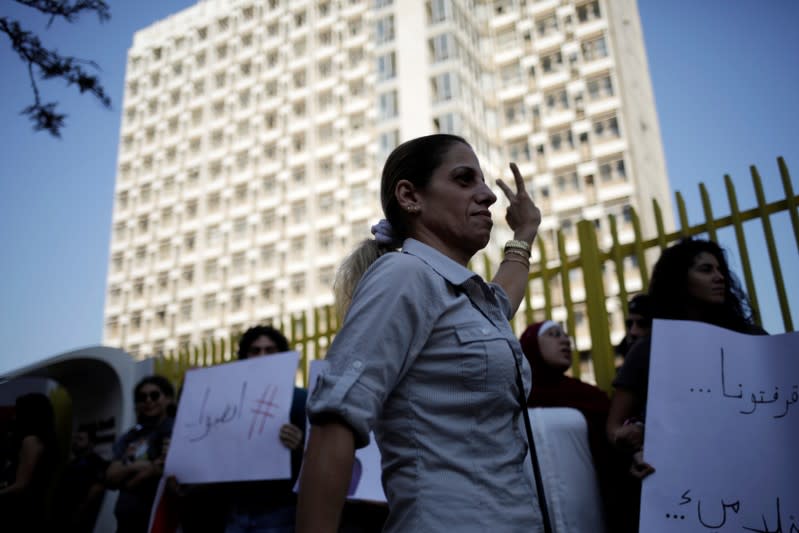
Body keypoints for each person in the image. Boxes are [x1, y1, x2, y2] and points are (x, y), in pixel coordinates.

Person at [296, 134, 542, 533]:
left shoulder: (467, 297)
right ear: (410, 196)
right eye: (465, 180)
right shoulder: (403, 274)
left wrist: (525, 232)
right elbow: (336, 418)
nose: (488, 196)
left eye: (483, 182)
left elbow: (503, 299)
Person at [606, 238, 764, 531]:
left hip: (755, 483)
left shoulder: (753, 341)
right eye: (705, 270)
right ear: (679, 279)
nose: (718, 277)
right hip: (683, 494)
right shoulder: (647, 350)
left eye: (720, 270)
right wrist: (631, 439)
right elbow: (614, 426)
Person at [519, 320, 611, 532]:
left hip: (588, 514)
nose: (565, 340)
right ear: (530, 345)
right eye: (553, 334)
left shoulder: (589, 398)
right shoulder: (511, 400)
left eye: (565, 335)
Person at [220, 325, 308, 533]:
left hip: (281, 511)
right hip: (235, 510)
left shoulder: (301, 400)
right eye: (255, 350)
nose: (262, 356)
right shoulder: (226, 400)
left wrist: (299, 445)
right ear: (244, 357)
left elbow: (319, 458)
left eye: (269, 350)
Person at [106, 375, 175, 533]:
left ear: (168, 399)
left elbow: (163, 468)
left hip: (159, 521)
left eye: (154, 395)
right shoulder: (130, 436)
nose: (148, 400)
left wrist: (128, 473)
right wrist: (139, 467)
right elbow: (110, 477)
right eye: (142, 397)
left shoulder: (176, 430)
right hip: (126, 522)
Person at [0, 392, 57, 533]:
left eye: (18, 412)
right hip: (36, 509)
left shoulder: (30, 441)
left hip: (21, 511)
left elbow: (22, 485)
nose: (14, 417)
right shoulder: (47, 441)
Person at [50, 428, 109, 533]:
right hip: (61, 516)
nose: (75, 442)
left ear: (91, 443)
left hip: (80, 519)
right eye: (75, 438)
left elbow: (96, 490)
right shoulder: (72, 464)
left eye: (80, 439)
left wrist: (80, 512)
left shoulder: (97, 463)